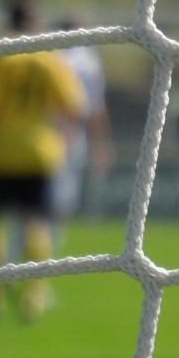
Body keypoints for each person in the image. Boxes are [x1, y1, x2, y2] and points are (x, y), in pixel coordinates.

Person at [0, 0, 85, 322]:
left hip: (0, 151)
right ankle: (33, 296)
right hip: (39, 151)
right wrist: (62, 140)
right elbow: (74, 105)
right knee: (37, 221)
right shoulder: (50, 59)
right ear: (36, 24)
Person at [50, 19, 114, 231]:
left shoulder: (48, 55)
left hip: (42, 132)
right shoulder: (88, 61)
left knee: (42, 196)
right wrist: (101, 143)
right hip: (72, 134)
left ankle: (36, 246)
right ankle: (48, 246)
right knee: (63, 199)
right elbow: (95, 108)